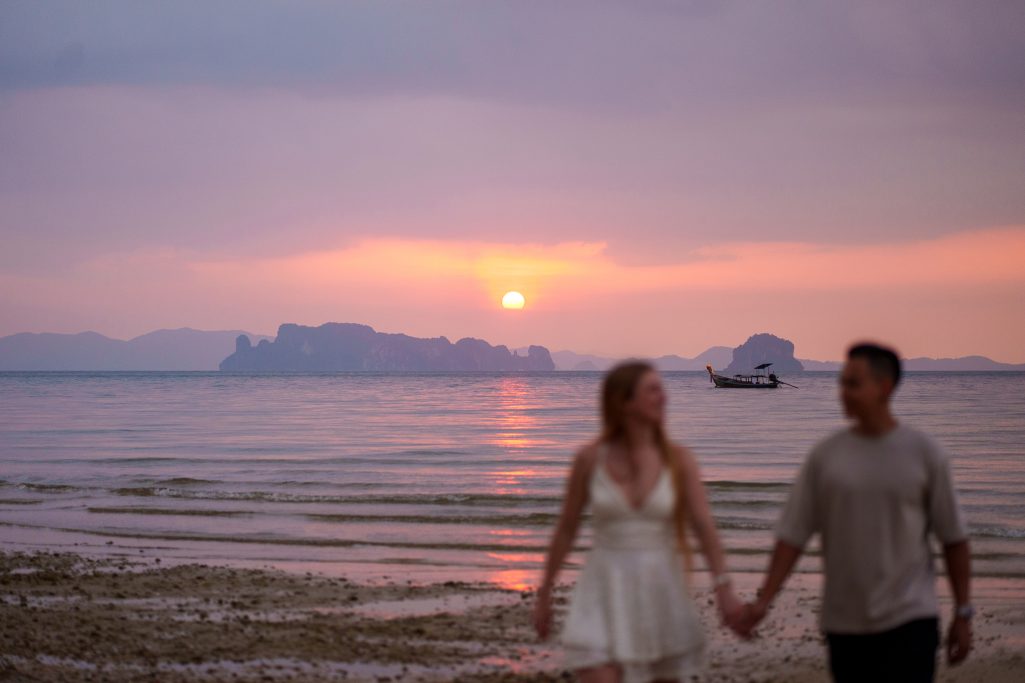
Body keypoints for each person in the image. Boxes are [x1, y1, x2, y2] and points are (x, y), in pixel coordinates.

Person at [734, 342, 973, 682]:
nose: (842, 392)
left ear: (884, 387)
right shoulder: (826, 456)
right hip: (843, 622)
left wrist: (963, 613)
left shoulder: (924, 454)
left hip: (911, 618)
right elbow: (793, 536)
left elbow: (954, 539)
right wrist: (763, 602)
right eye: (842, 382)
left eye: (853, 384)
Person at [533, 360, 742, 683]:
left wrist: (724, 589)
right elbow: (566, 529)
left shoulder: (679, 460)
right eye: (653, 391)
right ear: (624, 402)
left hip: (660, 590)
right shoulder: (589, 459)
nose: (664, 398)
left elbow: (703, 527)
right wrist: (544, 595)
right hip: (603, 588)